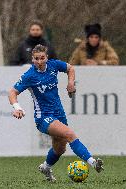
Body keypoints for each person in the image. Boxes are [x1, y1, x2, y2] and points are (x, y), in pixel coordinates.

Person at [8, 44, 104, 182]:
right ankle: (93, 162)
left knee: (60, 149)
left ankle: (45, 167)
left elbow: (70, 68)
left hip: (59, 113)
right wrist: (17, 107)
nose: (40, 62)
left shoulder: (53, 65)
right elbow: (12, 92)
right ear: (32, 59)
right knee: (70, 134)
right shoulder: (29, 75)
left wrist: (71, 83)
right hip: (43, 117)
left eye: (42, 58)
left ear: (47, 57)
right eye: (36, 59)